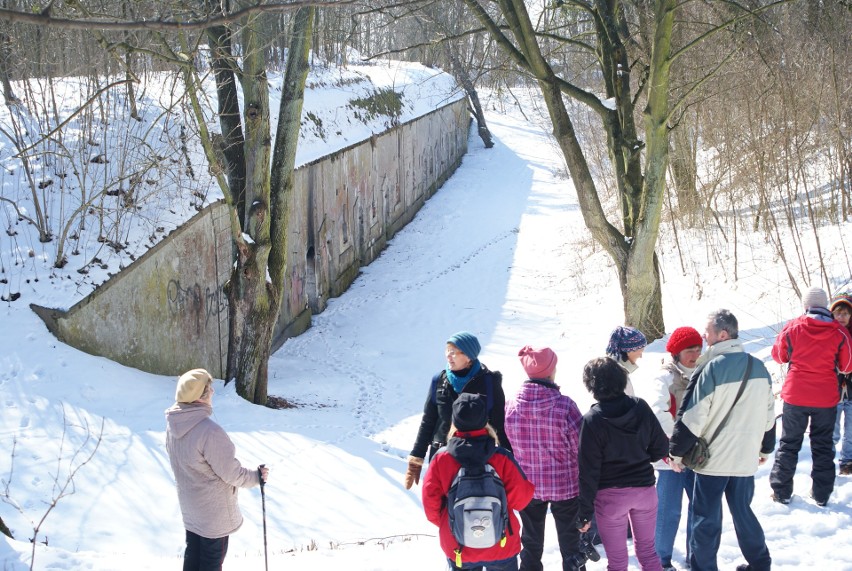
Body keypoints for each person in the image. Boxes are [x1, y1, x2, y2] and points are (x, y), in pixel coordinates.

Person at [669, 309, 775, 571]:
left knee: (705, 521)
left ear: (723, 334)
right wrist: (765, 448)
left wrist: (676, 452)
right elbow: (769, 415)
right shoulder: (759, 367)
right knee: (744, 514)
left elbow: (693, 417)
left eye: (708, 332)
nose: (704, 336)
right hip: (745, 461)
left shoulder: (711, 368)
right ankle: (760, 564)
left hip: (712, 462)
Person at [165, 369, 269, 571]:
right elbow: (232, 474)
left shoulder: (173, 426)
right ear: (200, 397)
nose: (213, 391)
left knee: (193, 556)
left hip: (191, 508)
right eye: (209, 388)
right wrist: (256, 476)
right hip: (213, 515)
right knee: (211, 564)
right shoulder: (209, 432)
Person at [422, 393, 535, 571]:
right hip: (502, 544)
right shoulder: (502, 457)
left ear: (454, 421)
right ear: (485, 420)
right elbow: (522, 498)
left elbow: (431, 507)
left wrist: (454, 522)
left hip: (458, 545)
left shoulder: (442, 459)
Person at [576, 357, 668, 571]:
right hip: (645, 490)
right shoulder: (641, 407)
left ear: (591, 385)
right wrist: (641, 456)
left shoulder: (591, 420)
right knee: (648, 553)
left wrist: (584, 512)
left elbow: (588, 472)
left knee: (617, 562)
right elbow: (661, 449)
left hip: (610, 497)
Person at [770, 286, 852, 506]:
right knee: (823, 445)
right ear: (825, 306)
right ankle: (821, 495)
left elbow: (778, 356)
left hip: (795, 395)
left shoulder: (792, 327)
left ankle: (781, 491)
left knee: (789, 444)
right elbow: (847, 366)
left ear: (806, 305)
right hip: (825, 397)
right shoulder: (839, 331)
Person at [505, 346, 583, 571]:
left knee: (530, 542)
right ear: (550, 372)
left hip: (528, 486)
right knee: (571, 545)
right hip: (565, 486)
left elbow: (509, 443)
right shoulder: (565, 406)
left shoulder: (510, 406)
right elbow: (581, 446)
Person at [405, 331, 510, 490]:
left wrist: (509, 463)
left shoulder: (489, 383)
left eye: (453, 352)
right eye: (447, 351)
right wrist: (416, 459)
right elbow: (428, 421)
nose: (448, 356)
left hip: (477, 462)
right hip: (441, 459)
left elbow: (499, 426)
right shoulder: (439, 381)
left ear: (468, 356)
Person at [644, 327, 702, 571]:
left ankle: (696, 555)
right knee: (668, 510)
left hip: (699, 453)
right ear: (677, 352)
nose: (695, 354)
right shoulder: (665, 377)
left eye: (699, 348)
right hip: (672, 454)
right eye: (690, 349)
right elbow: (658, 412)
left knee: (699, 508)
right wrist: (677, 441)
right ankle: (661, 559)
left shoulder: (705, 373)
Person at [829, 292, 852, 475]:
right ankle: (826, 460)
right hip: (833, 390)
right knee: (832, 430)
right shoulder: (828, 334)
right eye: (838, 313)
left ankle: (847, 462)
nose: (842, 317)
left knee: (851, 431)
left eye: (845, 313)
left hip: (851, 390)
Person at [605, 325, 648, 396]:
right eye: (640, 351)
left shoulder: (613, 369)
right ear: (629, 351)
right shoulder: (617, 377)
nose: (641, 356)